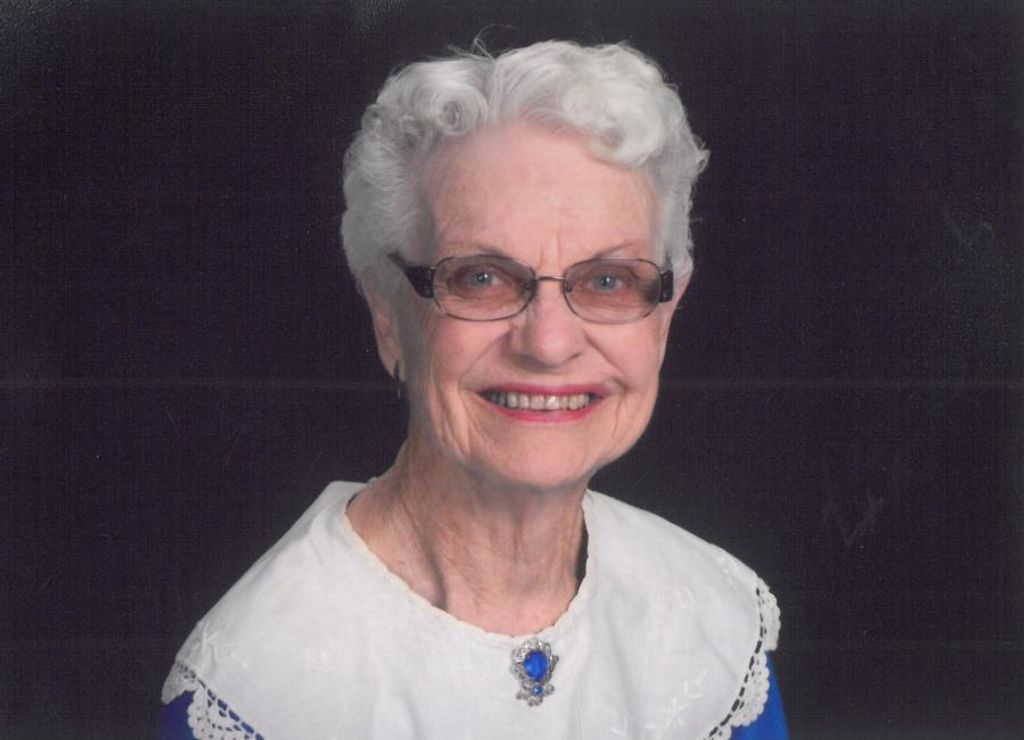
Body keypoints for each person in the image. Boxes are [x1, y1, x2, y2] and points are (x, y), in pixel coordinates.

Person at [159, 40, 788, 739]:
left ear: (665, 316)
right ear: (388, 315)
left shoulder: (712, 626)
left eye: (608, 280)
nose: (549, 343)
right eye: (481, 278)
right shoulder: (259, 692)